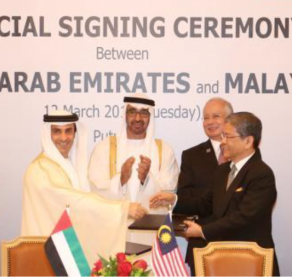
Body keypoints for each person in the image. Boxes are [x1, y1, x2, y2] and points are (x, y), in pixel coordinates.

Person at [150, 112, 280, 276]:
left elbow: (244, 217)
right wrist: (174, 199)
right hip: (220, 258)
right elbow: (204, 204)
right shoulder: (222, 171)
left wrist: (202, 231)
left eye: (227, 137)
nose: (222, 142)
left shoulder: (261, 174)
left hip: (249, 260)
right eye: (222, 136)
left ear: (248, 141)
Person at [21, 110, 147, 265]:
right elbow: (73, 202)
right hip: (48, 258)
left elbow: (90, 196)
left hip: (66, 253)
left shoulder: (70, 166)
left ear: (75, 133)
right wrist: (122, 209)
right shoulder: (40, 169)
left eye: (68, 131)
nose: (63, 138)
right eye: (57, 132)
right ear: (48, 134)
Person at [88, 94, 179, 244]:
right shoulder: (104, 148)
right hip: (113, 234)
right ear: (125, 114)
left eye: (143, 112)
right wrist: (121, 180)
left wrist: (146, 180)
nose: (137, 118)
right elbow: (95, 193)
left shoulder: (164, 150)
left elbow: (169, 194)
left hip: (152, 236)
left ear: (150, 116)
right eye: (132, 112)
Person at [176, 97, 233, 274]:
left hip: (238, 241)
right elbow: (185, 196)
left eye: (216, 116)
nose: (210, 122)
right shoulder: (191, 155)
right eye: (206, 117)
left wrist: (204, 196)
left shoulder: (244, 151)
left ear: (229, 120)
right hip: (202, 242)